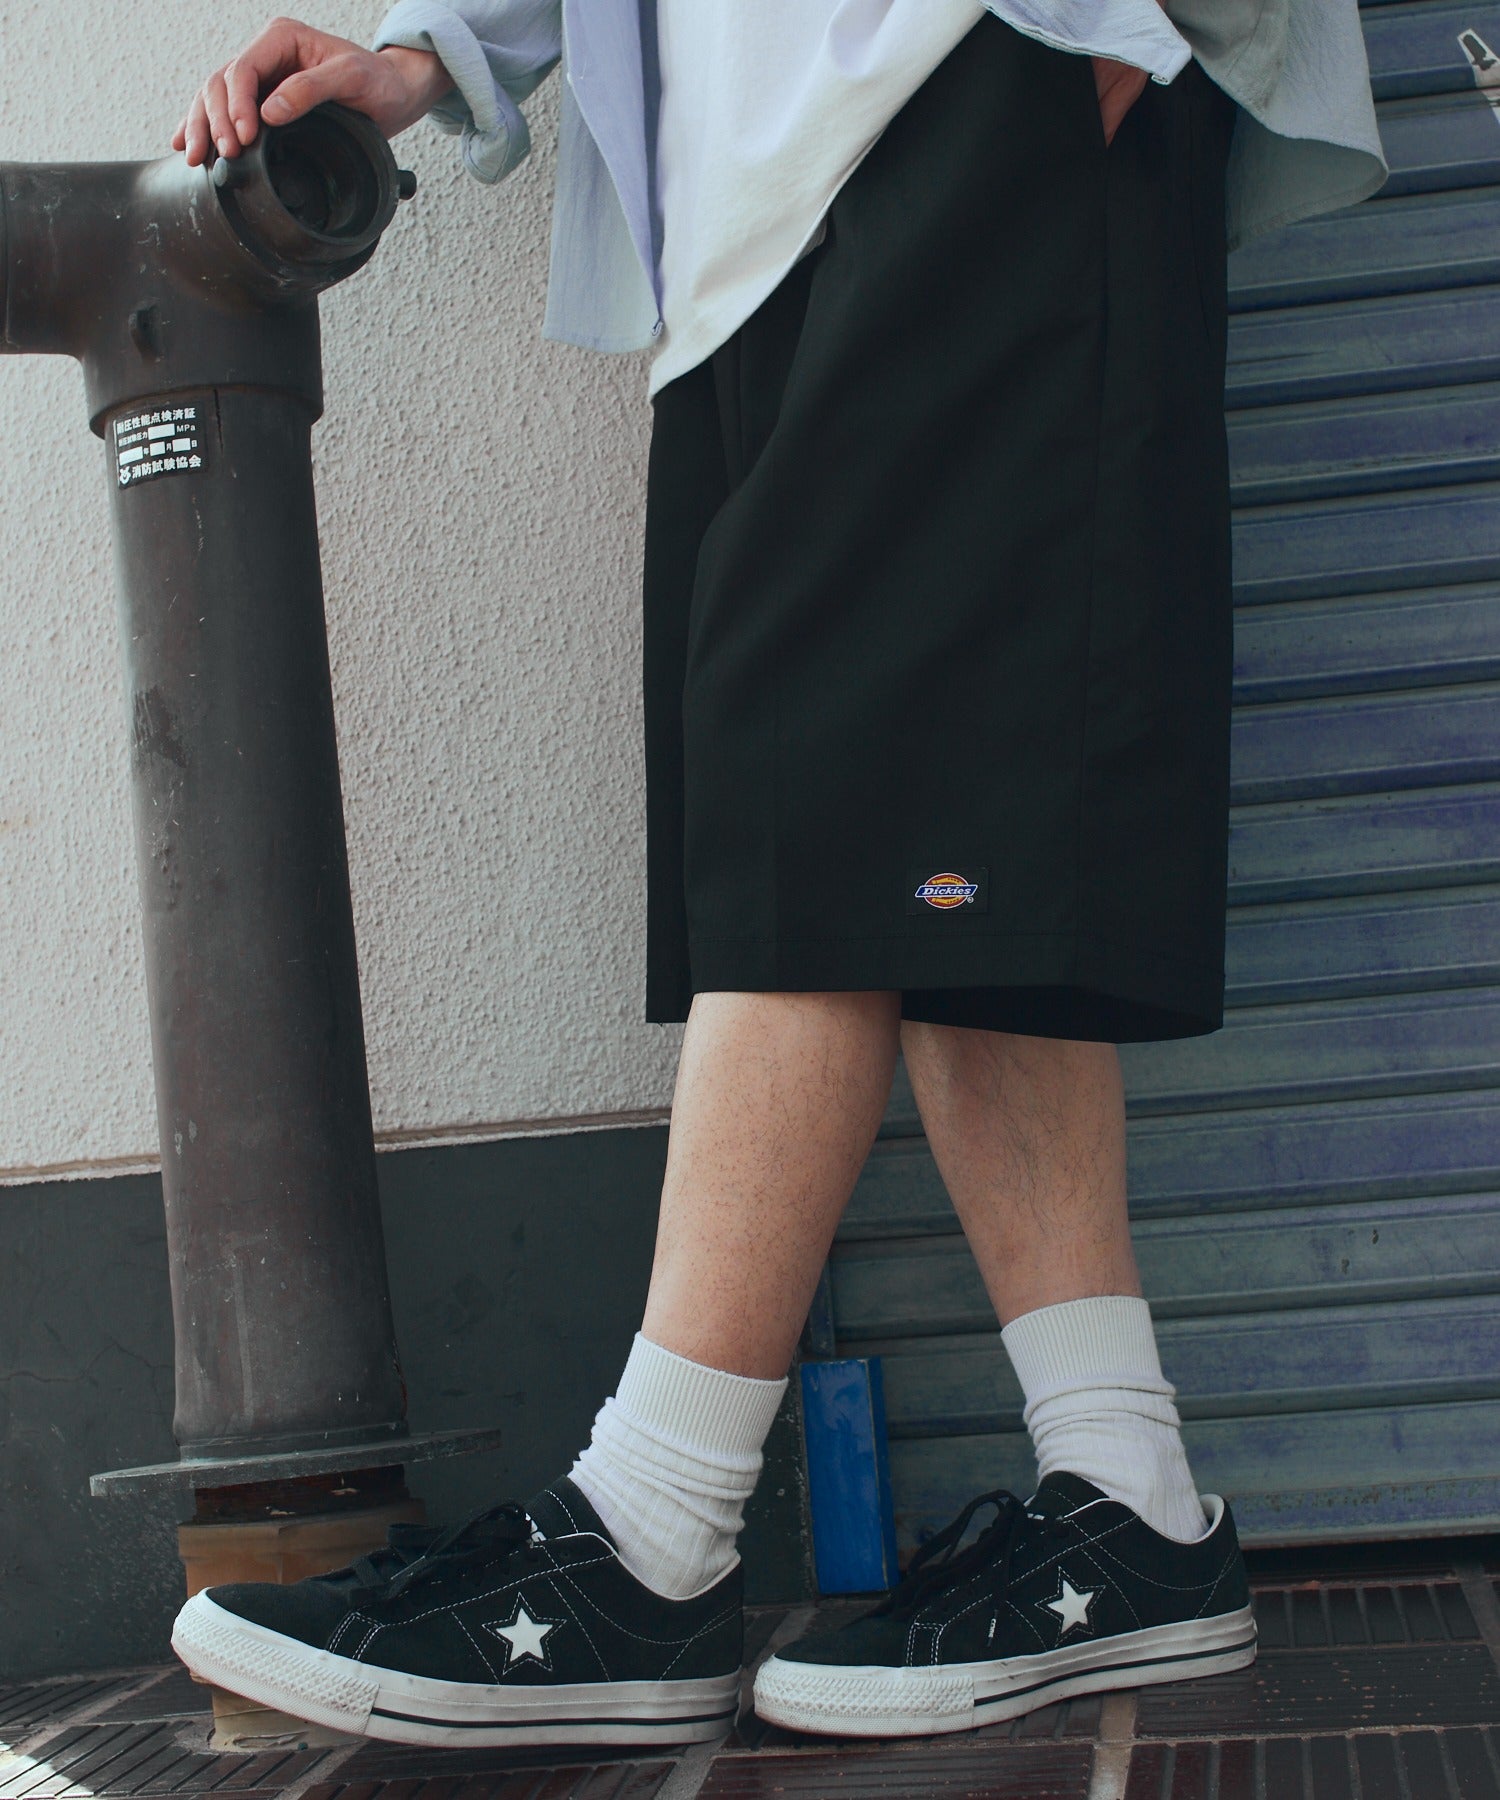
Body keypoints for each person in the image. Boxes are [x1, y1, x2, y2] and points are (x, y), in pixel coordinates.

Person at [168, 0, 1387, 1749]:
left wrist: (1109, 41)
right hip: (743, 205)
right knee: (942, 850)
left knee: (817, 826)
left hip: (976, 76)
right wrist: (430, 51)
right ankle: (1131, 1499)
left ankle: (652, 1534)